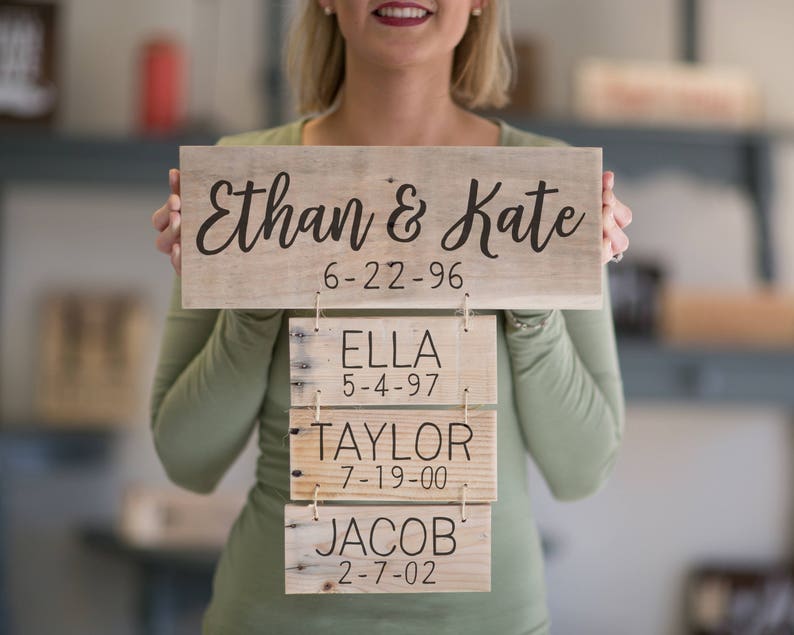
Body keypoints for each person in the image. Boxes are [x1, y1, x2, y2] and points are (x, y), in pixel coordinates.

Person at [150, 1, 632, 633]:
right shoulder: (250, 179)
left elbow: (583, 469)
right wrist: (252, 299)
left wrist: (535, 303)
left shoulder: (541, 187)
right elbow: (187, 459)